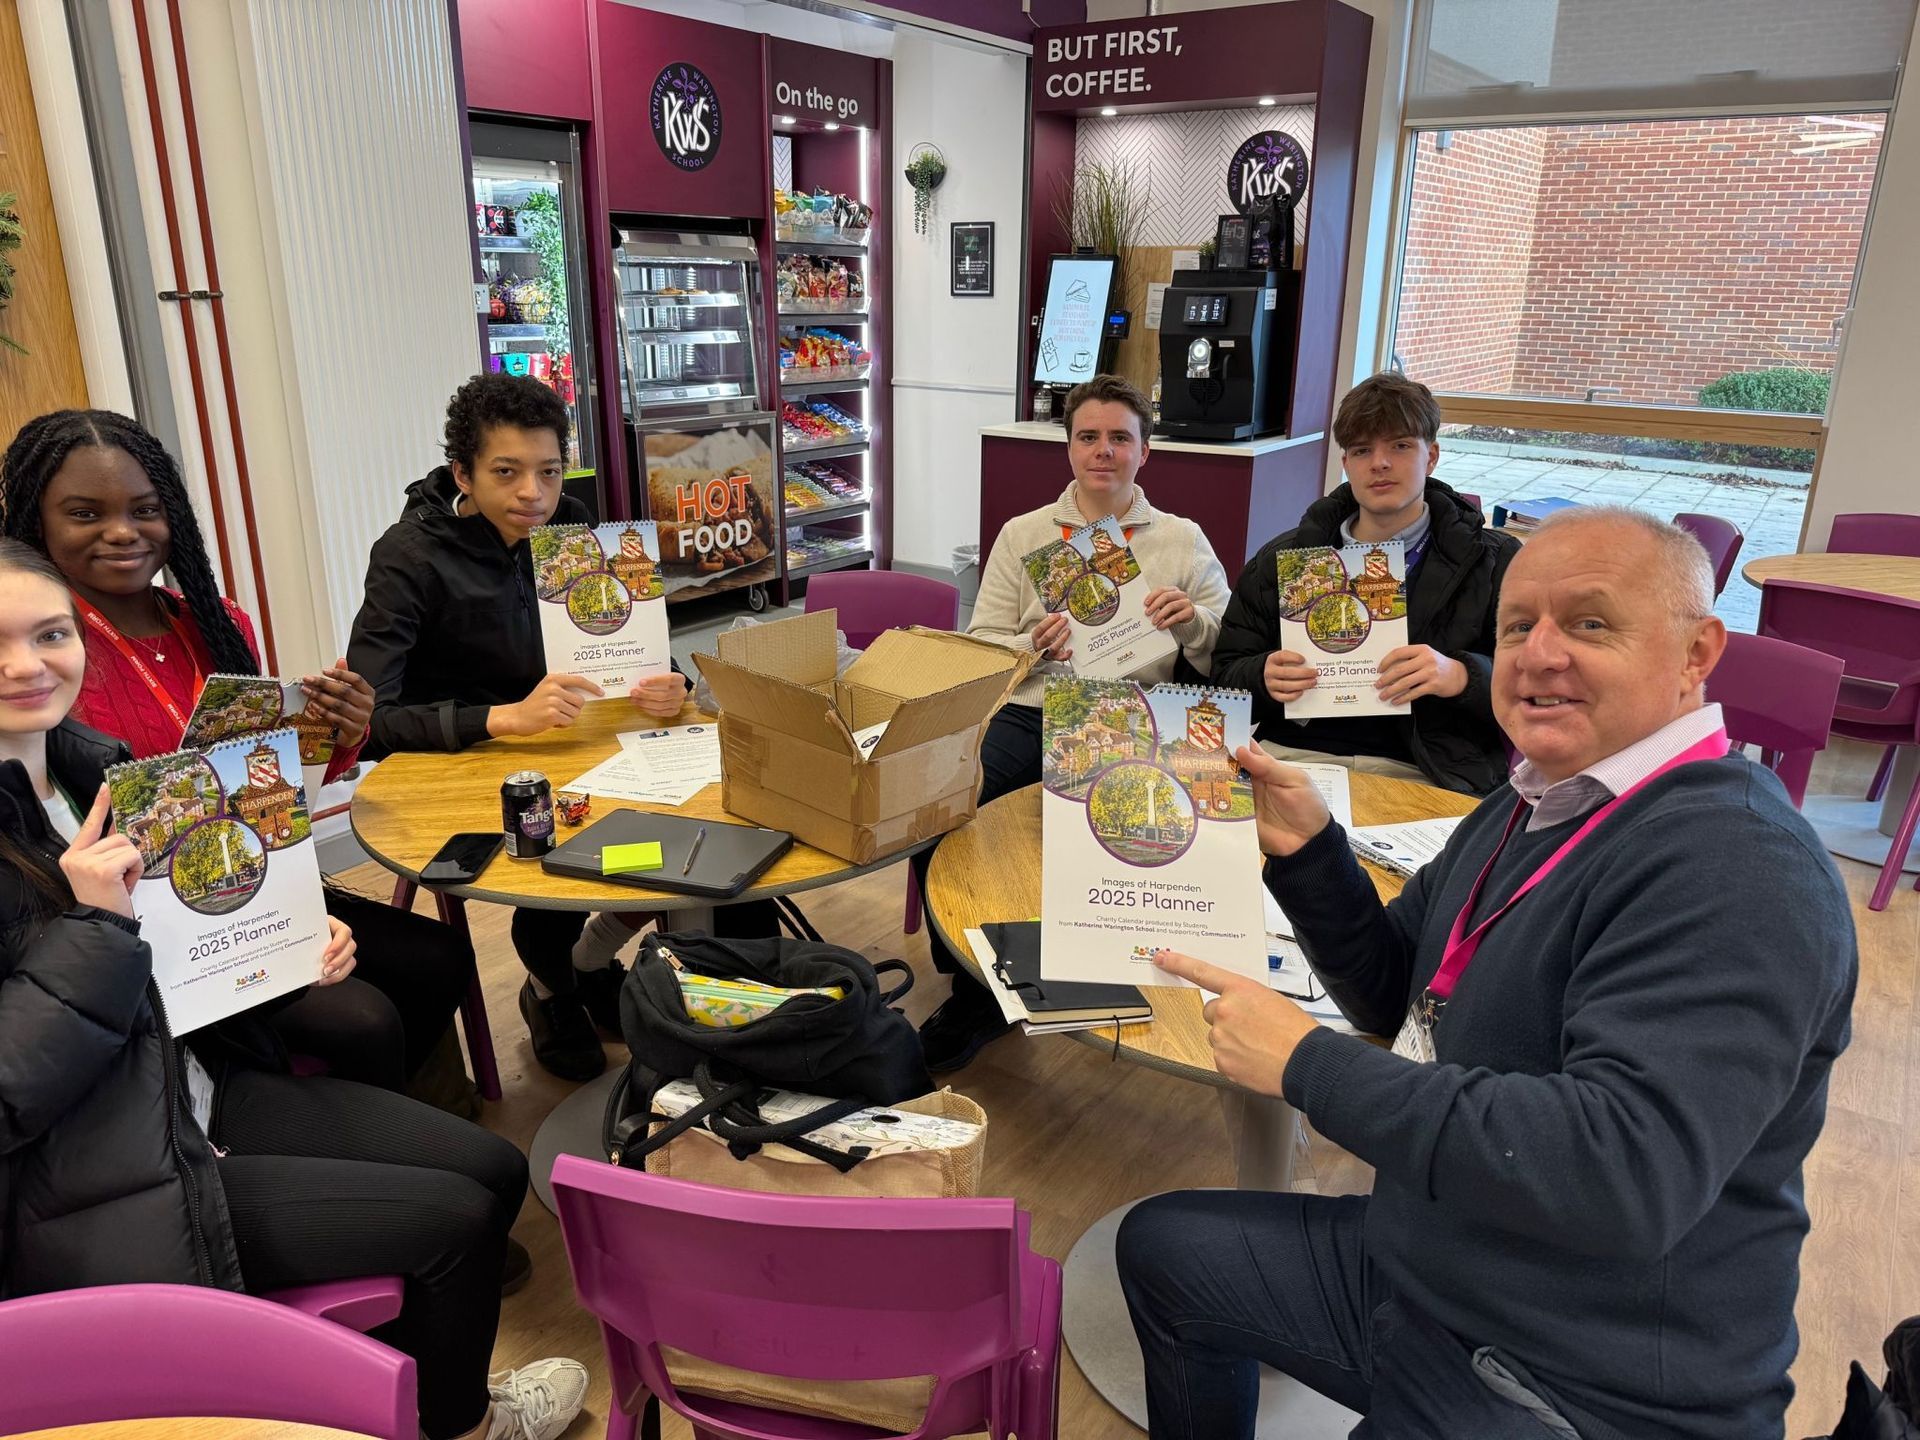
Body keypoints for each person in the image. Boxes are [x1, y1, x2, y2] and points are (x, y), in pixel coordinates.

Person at [1120, 508, 1857, 1439]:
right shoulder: (1530, 807)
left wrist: (1306, 1063)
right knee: (1167, 1250)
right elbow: (1399, 998)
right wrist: (1313, 855)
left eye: (1589, 623)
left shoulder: (1737, 863)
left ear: (1696, 651)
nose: (1538, 654)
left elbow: (1623, 1176)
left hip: (1581, 1373)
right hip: (1441, 1261)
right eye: (1517, 627)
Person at [0, 540, 587, 1440]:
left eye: (49, 633)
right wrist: (92, 924)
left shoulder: (92, 766)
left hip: (190, 1087)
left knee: (496, 1167)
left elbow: (174, 964)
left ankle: (384, 1392)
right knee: (455, 1221)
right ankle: (457, 1422)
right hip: (97, 1170)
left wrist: (279, 951)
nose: (27, 665)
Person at [0, 409, 470, 1099]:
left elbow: (271, 788)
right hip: (148, 924)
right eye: (84, 513)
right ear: (36, 523)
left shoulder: (212, 623)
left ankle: (435, 1143)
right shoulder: (48, 656)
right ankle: (342, 1156)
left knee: (439, 958)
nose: (123, 531)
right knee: (362, 1021)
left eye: (146, 509)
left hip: (248, 878)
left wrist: (339, 734)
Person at [346, 374, 705, 1082]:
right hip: (459, 767)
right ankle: (552, 987)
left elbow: (635, 643)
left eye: (547, 471)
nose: (532, 495)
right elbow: (370, 724)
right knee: (556, 854)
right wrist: (501, 718)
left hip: (574, 743)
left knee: (680, 839)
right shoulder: (409, 556)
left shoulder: (574, 528)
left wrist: (670, 682)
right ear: (463, 473)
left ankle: (586, 960)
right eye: (506, 473)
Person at [917, 372, 1232, 1071]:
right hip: (1035, 708)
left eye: (1120, 438)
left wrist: (1193, 621)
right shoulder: (1026, 534)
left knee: (1156, 828)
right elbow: (983, 640)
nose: (1103, 451)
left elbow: (1229, 643)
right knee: (937, 803)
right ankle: (973, 986)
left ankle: (1109, 970)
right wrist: (1031, 644)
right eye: (1088, 436)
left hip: (1139, 717)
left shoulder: (1181, 539)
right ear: (1068, 448)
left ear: (1145, 452)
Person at [1211, 372, 1518, 795]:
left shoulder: (1494, 561)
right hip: (1294, 757)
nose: (1380, 463)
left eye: (1400, 445)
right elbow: (1223, 679)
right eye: (1362, 450)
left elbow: (1537, 685)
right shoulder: (1285, 560)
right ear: (1346, 464)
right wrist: (1262, 676)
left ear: (1431, 456)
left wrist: (1463, 675)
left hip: (1426, 770)